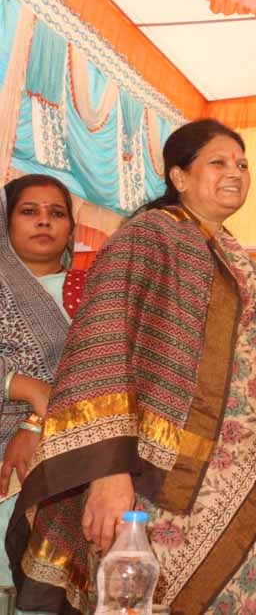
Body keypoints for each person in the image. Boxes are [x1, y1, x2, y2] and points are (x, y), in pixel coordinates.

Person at [5, 119, 256, 614]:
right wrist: (109, 473)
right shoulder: (148, 237)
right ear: (179, 176)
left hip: (232, 482)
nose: (236, 172)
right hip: (161, 483)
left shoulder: (231, 252)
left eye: (242, 164)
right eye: (218, 162)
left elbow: (214, 363)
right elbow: (102, 351)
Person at [0, 175, 86, 586]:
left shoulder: (94, 291)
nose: (44, 221)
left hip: (72, 470)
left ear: (71, 228)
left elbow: (108, 373)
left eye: (57, 213)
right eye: (29, 211)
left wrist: (36, 422)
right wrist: (27, 388)